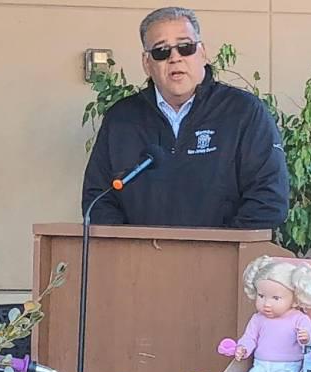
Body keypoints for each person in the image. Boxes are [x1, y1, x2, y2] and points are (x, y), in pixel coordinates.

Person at [81, 6, 289, 229]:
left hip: (224, 260)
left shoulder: (244, 112)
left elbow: (269, 199)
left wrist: (216, 250)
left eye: (185, 47)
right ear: (146, 63)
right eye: (161, 51)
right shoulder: (121, 119)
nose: (175, 58)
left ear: (203, 53)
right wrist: (130, 252)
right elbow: (98, 199)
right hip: (140, 261)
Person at [234, 255, 311, 372]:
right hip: (260, 365)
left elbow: (309, 336)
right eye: (261, 296)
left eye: (276, 298)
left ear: (295, 299)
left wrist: (306, 337)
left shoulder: (298, 318)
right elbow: (250, 337)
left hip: (286, 368)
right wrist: (243, 347)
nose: (267, 304)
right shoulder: (258, 318)